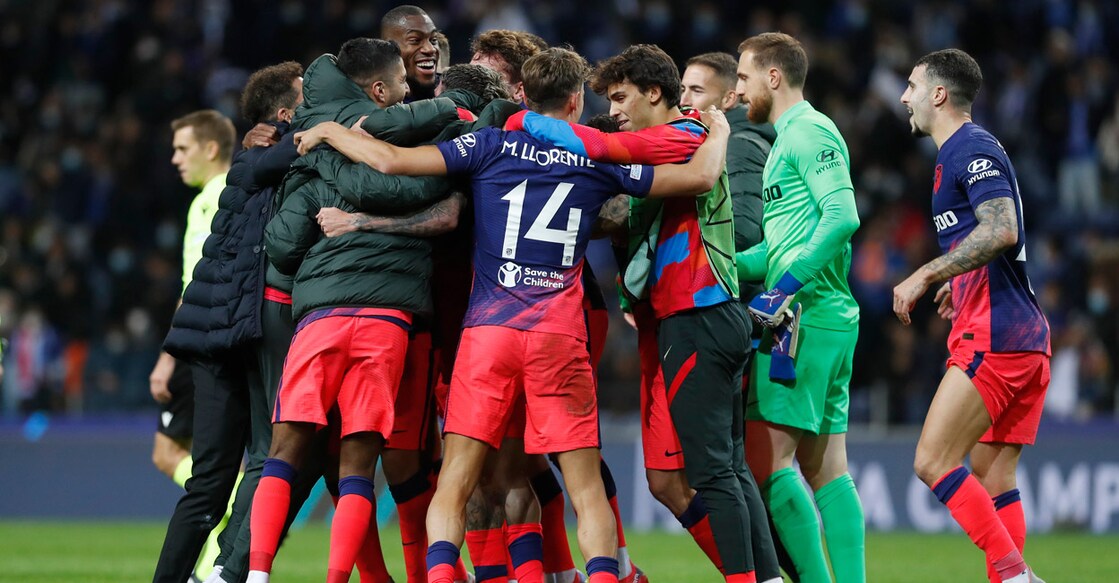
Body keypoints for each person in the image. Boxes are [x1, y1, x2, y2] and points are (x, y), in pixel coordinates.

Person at [294, 46, 731, 583]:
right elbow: (698, 179)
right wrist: (718, 134)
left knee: (455, 481)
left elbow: (388, 160)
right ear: (575, 101)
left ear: (524, 96)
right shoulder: (600, 160)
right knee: (585, 490)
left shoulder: (489, 144)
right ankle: (600, 576)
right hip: (559, 336)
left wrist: (328, 133)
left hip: (488, 336)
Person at [507, 44, 764, 582]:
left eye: (622, 96)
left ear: (653, 93)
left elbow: (601, 144)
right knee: (677, 478)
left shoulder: (688, 134)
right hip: (666, 321)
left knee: (717, 472)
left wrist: (518, 119)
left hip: (701, 312)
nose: (616, 108)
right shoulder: (659, 150)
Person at [895, 48, 1050, 583]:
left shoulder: (967, 147)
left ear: (939, 94)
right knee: (992, 474)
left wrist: (929, 273)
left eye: (912, 86)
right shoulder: (960, 153)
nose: (904, 97)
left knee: (933, 461)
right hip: (1023, 335)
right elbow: (992, 240)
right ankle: (1010, 577)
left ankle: (1014, 574)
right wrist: (960, 281)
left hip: (997, 336)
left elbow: (1002, 227)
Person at [733, 32, 865, 583]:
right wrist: (719, 264)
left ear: (772, 76)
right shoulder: (786, 140)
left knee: (767, 463)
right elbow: (781, 244)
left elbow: (843, 216)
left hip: (803, 318)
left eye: (742, 78)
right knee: (826, 469)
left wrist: (783, 286)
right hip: (827, 316)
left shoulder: (807, 132)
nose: (737, 91)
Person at [680, 50, 784, 583]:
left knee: (721, 470)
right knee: (738, 465)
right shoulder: (760, 138)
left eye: (697, 91)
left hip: (716, 309)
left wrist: (697, 262)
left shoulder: (738, 144)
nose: (684, 101)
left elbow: (744, 230)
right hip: (743, 313)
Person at [150, 109, 237, 583]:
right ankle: (213, 556)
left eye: (182, 149)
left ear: (209, 148)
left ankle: (233, 499)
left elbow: (196, 283)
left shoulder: (214, 198)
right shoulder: (215, 195)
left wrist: (167, 357)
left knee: (197, 467)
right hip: (207, 336)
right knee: (174, 454)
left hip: (198, 338)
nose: (174, 159)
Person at [381, 5, 439, 101]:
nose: (430, 49)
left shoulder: (450, 89)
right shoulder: (371, 107)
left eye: (433, 40)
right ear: (387, 48)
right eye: (415, 40)